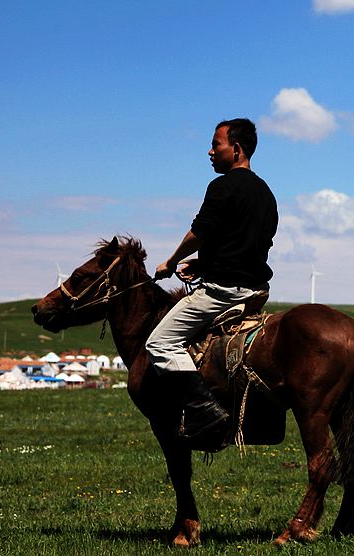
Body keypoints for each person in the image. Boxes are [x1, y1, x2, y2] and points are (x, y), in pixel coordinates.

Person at [146, 118, 278, 443]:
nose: (210, 151)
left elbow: (198, 233)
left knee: (159, 343)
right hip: (256, 291)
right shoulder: (266, 194)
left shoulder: (222, 187)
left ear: (235, 149)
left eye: (216, 144)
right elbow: (245, 246)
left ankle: (205, 411)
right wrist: (202, 264)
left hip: (223, 293)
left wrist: (172, 261)